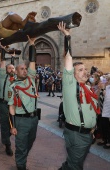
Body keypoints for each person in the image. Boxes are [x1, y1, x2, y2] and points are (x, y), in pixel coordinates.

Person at [57, 22, 100, 170]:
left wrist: (92, 131)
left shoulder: (88, 87)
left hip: (88, 134)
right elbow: (68, 60)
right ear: (73, 74)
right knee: (75, 166)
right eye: (81, 70)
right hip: (76, 135)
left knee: (74, 163)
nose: (85, 72)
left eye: (86, 69)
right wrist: (67, 36)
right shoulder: (70, 85)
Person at [8, 36, 38, 170]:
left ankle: (22, 157)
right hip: (21, 121)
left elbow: (32, 62)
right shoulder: (13, 87)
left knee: (29, 143)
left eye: (25, 69)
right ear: (16, 71)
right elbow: (11, 107)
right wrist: (13, 125)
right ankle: (21, 165)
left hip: (34, 119)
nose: (25, 70)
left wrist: (32, 44)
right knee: (21, 146)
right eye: (22, 69)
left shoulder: (31, 80)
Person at [0, 45, 16, 156]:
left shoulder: (17, 78)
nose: (11, 70)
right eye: (9, 68)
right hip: (4, 104)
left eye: (13, 68)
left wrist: (13, 58)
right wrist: (4, 50)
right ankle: (8, 145)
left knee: (14, 124)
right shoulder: (2, 76)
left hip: (15, 105)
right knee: (5, 123)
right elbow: (2, 63)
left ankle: (6, 137)